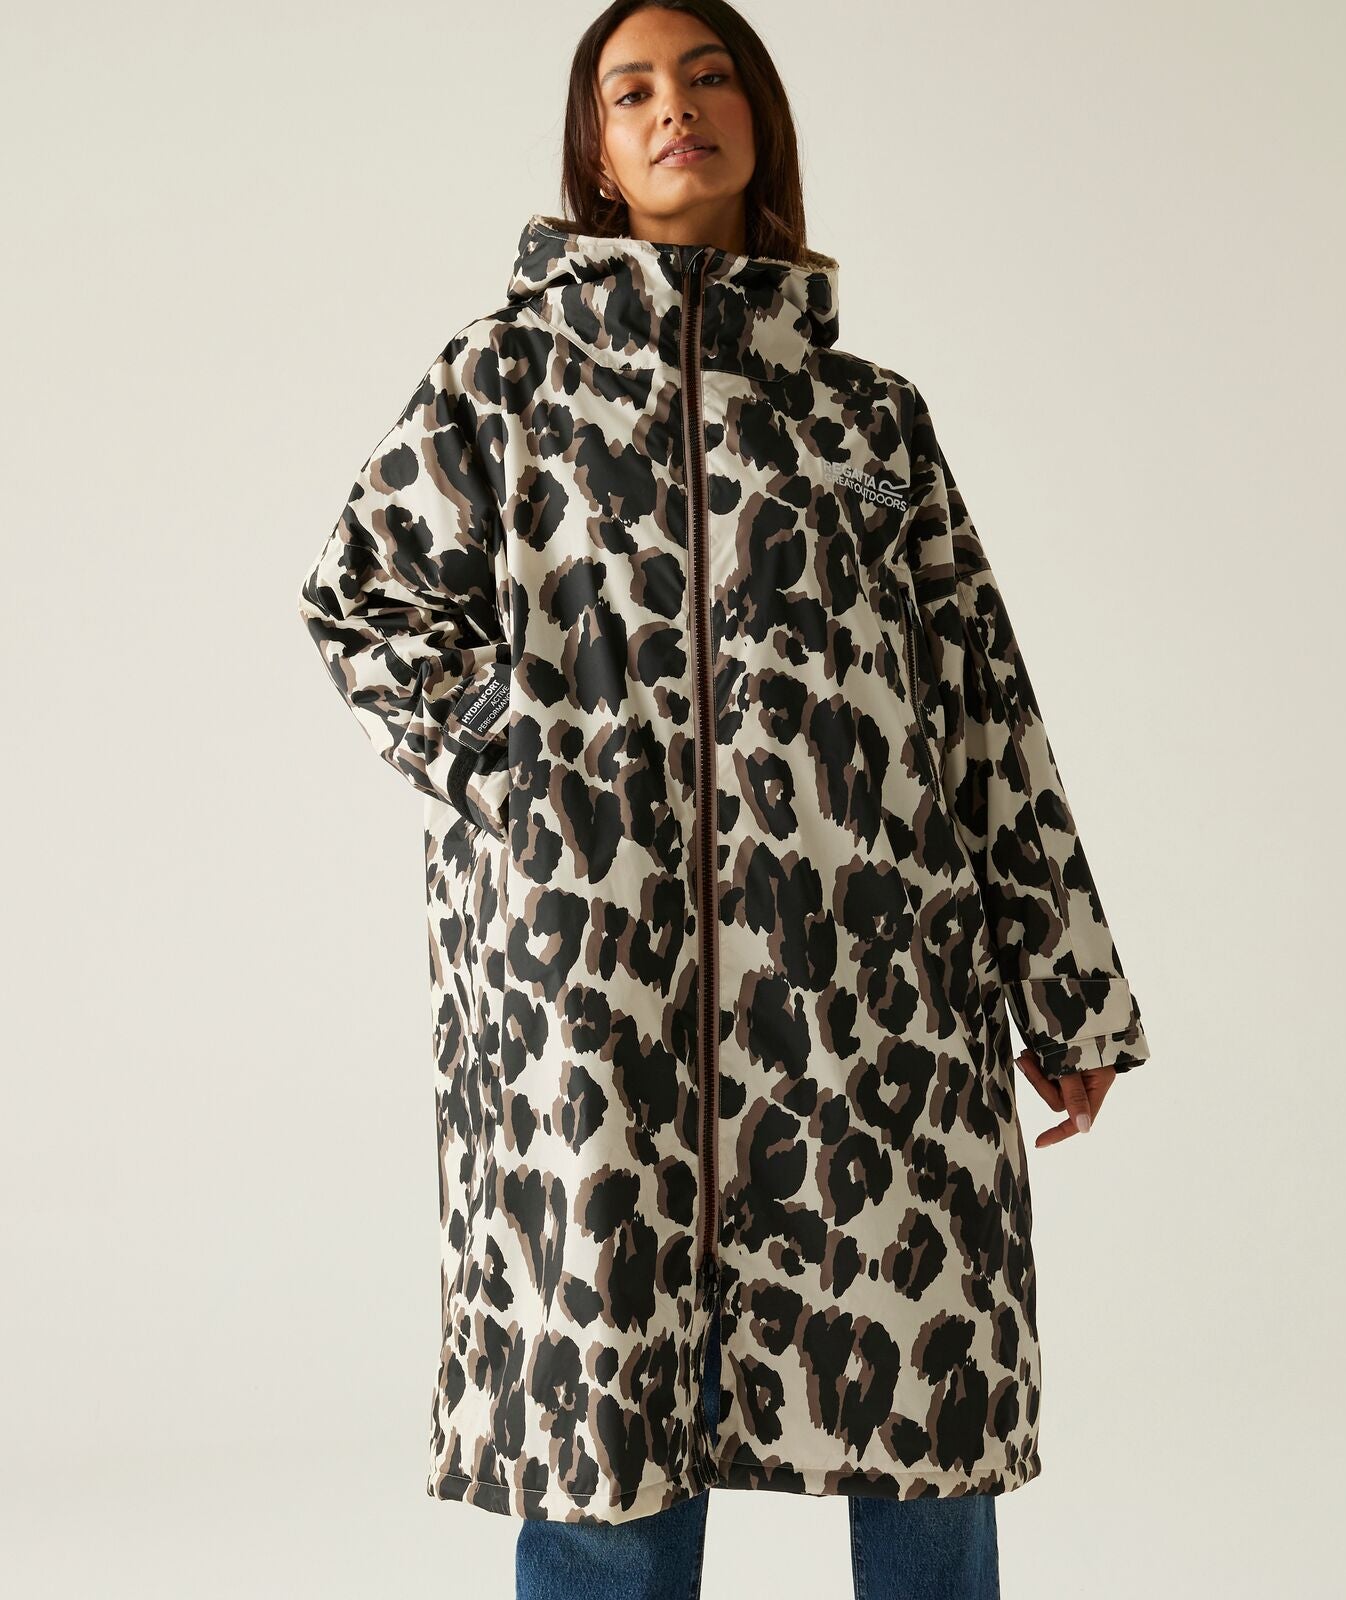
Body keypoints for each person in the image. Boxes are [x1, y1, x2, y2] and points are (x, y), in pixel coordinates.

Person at [296, 2, 1153, 1595]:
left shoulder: (869, 418)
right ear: (599, 158)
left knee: (925, 1410)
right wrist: (531, 768)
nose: (674, 107)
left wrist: (1065, 983)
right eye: (632, 92)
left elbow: (979, 703)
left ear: (759, 119)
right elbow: (364, 604)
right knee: (603, 1427)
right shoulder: (499, 383)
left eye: (708, 77)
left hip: (871, 999)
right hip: (591, 998)